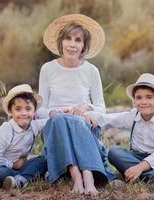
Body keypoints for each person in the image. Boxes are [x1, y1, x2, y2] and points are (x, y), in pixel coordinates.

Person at [37, 14, 115, 196]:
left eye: (77, 40)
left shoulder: (91, 71)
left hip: (84, 124)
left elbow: (101, 109)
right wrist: (56, 112)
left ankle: (87, 175)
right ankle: (77, 176)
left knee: (78, 121)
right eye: (68, 38)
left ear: (83, 46)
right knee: (61, 120)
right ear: (61, 42)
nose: (72, 44)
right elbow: (40, 108)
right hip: (56, 127)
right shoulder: (48, 69)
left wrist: (86, 108)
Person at [88, 73, 154, 187]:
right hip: (136, 157)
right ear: (134, 101)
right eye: (139, 97)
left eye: (149, 97)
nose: (143, 102)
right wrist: (89, 115)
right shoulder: (133, 116)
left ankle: (140, 176)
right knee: (114, 152)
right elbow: (109, 119)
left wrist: (139, 168)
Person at [0, 84, 48, 190]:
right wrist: (13, 165)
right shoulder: (6, 130)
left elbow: (51, 120)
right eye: (18, 109)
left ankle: (19, 180)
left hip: (20, 166)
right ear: (10, 112)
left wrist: (65, 113)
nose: (24, 113)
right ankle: (26, 176)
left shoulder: (34, 126)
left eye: (28, 109)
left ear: (34, 111)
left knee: (44, 160)